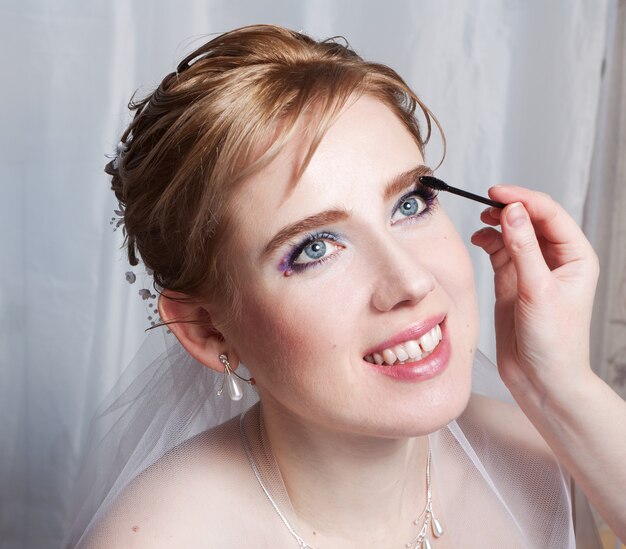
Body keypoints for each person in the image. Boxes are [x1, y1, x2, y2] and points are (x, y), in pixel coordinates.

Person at [63, 24, 626, 548]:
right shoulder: (158, 538)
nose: (411, 280)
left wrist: (564, 390)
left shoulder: (541, 452)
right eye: (313, 249)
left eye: (410, 203)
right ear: (207, 330)